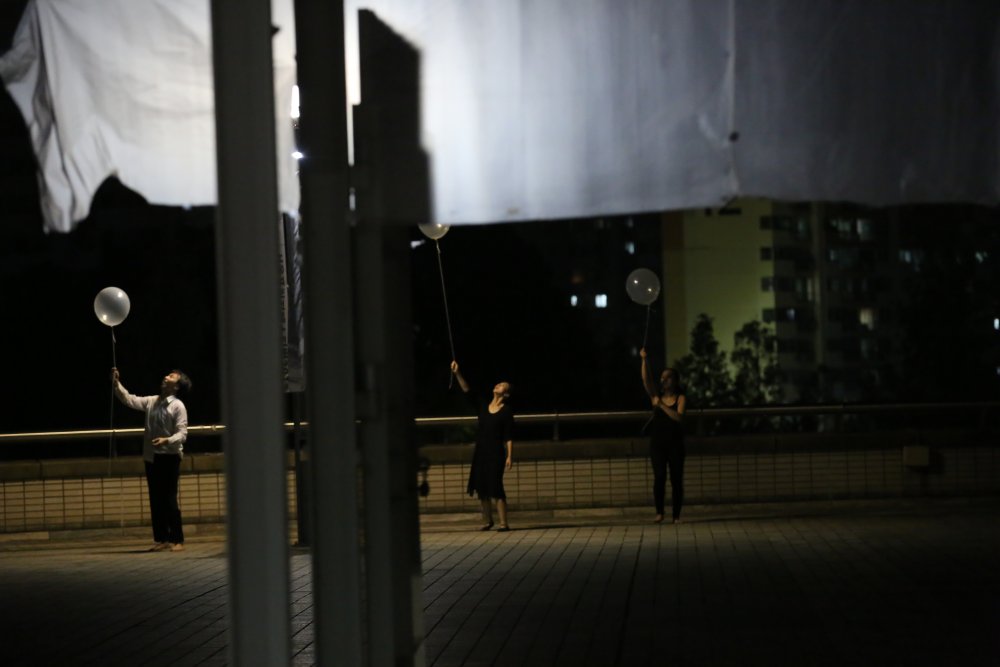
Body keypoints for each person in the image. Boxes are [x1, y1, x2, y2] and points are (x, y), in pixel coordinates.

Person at [112, 367, 191, 551]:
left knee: (169, 498)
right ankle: (162, 539)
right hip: (152, 457)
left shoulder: (178, 406)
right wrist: (116, 384)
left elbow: (183, 434)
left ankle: (177, 539)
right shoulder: (152, 401)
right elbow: (129, 399)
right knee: (156, 499)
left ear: (176, 387)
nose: (166, 377)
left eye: (171, 376)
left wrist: (167, 440)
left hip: (170, 457)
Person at [450, 360, 514, 532]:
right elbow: (467, 391)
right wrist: (457, 373)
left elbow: (508, 435)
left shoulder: (506, 411)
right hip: (481, 452)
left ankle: (503, 523)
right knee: (481, 485)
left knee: (496, 485)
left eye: (502, 385)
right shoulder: (483, 406)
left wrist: (509, 455)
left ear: (506, 394)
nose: (498, 385)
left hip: (496, 453)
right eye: (498, 383)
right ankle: (488, 521)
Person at [639, 348, 686, 524]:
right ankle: (659, 512)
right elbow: (646, 380)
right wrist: (644, 360)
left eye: (668, 377)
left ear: (675, 381)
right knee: (659, 477)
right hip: (658, 444)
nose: (664, 380)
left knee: (676, 479)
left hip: (675, 444)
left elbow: (679, 417)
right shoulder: (656, 395)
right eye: (662, 377)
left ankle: (676, 515)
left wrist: (662, 406)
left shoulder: (680, 398)